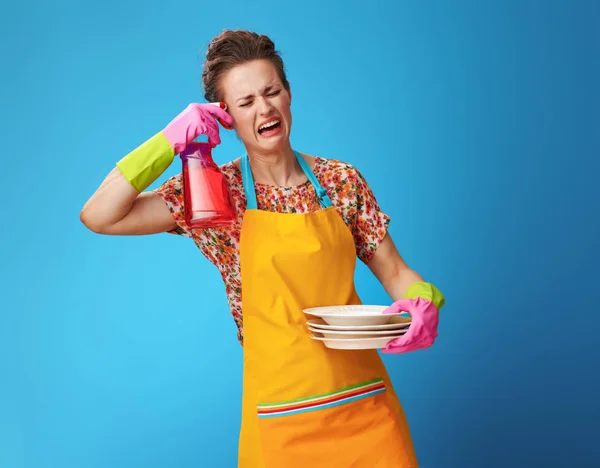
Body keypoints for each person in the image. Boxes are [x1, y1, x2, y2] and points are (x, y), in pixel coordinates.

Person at [80, 29, 445, 468]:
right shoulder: (215, 193)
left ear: (289, 94)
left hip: (365, 406)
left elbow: (397, 273)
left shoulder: (340, 181)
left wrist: (422, 301)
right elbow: (100, 215)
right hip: (279, 421)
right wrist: (166, 142)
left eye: (271, 92)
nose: (265, 108)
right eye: (246, 101)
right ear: (226, 116)